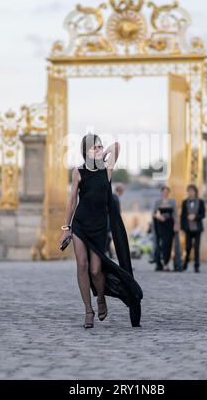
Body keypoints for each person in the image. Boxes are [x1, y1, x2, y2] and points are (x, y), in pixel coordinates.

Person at [59, 134, 143, 329]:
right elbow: (72, 200)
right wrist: (66, 228)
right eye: (94, 147)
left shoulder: (107, 169)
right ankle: (88, 311)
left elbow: (117, 146)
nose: (98, 149)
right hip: (80, 222)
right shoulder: (78, 171)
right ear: (85, 150)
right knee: (82, 264)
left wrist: (101, 153)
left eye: (100, 146)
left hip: (99, 226)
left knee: (96, 271)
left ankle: (101, 298)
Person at [152, 186, 179, 272]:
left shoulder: (172, 201)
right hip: (160, 225)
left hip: (170, 225)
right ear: (161, 192)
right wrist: (159, 217)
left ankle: (166, 263)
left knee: (168, 244)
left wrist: (176, 224)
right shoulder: (158, 202)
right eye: (163, 192)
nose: (165, 193)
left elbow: (175, 214)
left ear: (168, 193)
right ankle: (160, 263)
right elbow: (153, 213)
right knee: (161, 244)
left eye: (167, 192)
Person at [180, 184, 206, 273]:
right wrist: (182, 228)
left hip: (198, 228)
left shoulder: (201, 202)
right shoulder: (184, 202)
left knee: (197, 247)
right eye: (189, 191)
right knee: (187, 247)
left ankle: (196, 266)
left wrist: (195, 217)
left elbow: (203, 215)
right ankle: (185, 264)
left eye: (192, 191)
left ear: (195, 192)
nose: (190, 193)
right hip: (188, 228)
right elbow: (183, 216)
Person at [105, 184, 124, 258]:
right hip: (111, 221)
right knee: (109, 238)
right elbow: (115, 211)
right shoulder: (114, 197)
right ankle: (107, 253)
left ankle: (109, 253)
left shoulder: (114, 197)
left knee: (109, 238)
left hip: (110, 220)